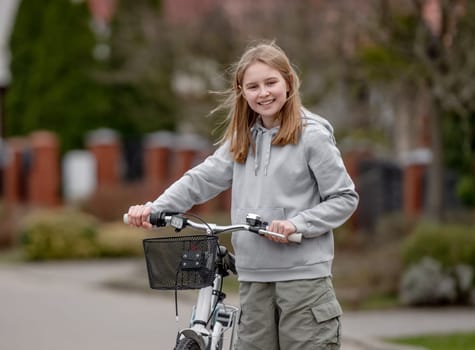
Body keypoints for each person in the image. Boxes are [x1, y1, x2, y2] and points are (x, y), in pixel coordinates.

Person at [127, 41, 359, 350]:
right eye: (253, 86)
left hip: (303, 282)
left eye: (270, 82)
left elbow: (344, 197)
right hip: (253, 280)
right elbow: (201, 179)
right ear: (242, 92)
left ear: (289, 83)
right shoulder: (242, 139)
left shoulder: (312, 135)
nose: (263, 92)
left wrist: (297, 224)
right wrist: (155, 208)